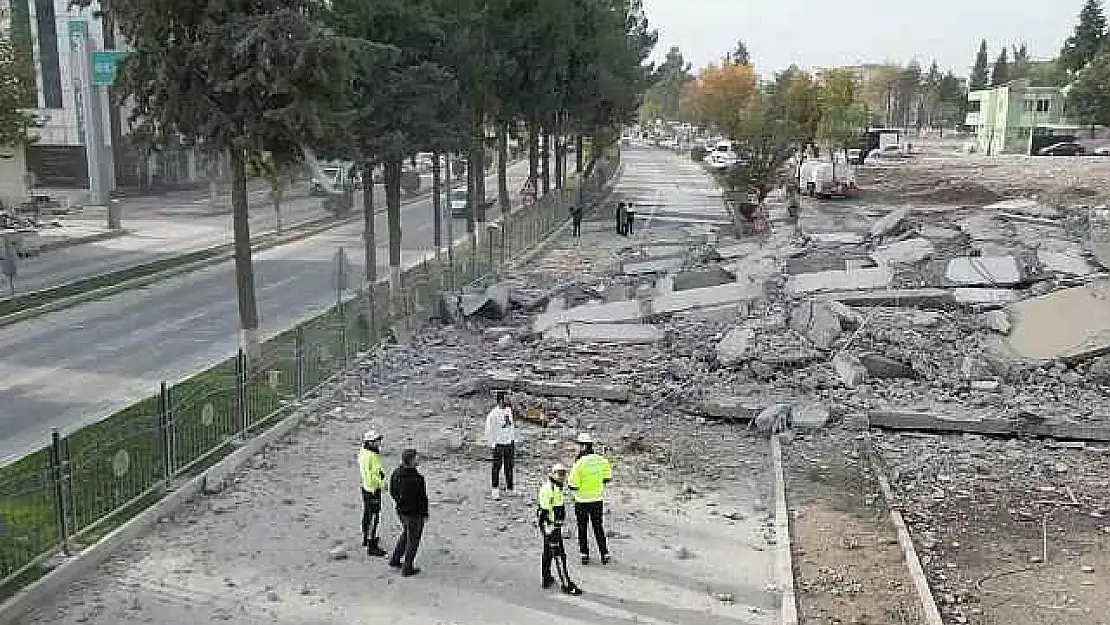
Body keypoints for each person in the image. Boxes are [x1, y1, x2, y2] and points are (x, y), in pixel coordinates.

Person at [537, 464, 583, 595]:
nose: (562, 476)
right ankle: (566, 584)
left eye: (563, 474)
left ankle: (546, 578)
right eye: (559, 473)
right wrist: (551, 528)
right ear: (552, 474)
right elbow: (545, 512)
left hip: (551, 526)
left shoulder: (554, 487)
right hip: (551, 527)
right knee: (559, 556)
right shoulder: (551, 489)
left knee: (548, 553)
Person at [568, 433, 612, 565]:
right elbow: (607, 478)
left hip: (581, 501)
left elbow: (572, 485)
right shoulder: (601, 460)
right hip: (597, 500)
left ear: (582, 446)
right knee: (598, 527)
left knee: (582, 528)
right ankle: (604, 553)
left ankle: (584, 554)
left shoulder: (579, 463)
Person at [389, 449, 429, 577]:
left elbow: (392, 491)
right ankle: (407, 568)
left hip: (401, 512)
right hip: (414, 515)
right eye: (416, 458)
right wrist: (424, 514)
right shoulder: (417, 479)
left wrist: (399, 503)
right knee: (413, 541)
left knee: (406, 534)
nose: (419, 459)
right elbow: (421, 499)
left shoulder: (396, 473)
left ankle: (395, 560)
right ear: (411, 461)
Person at [358, 430, 388, 557]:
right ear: (370, 442)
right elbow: (372, 475)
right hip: (373, 490)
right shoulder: (370, 455)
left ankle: (366, 538)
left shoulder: (365, 452)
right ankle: (372, 546)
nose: (379, 442)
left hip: (366, 488)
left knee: (367, 514)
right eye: (376, 440)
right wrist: (382, 484)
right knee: (373, 517)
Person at [484, 391, 516, 500]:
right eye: (506, 399)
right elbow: (488, 430)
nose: (509, 400)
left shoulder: (509, 410)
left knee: (509, 466)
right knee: (496, 467)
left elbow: (510, 426)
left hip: (509, 443)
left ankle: (510, 487)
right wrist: (493, 444)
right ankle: (495, 490)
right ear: (501, 400)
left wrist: (512, 439)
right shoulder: (493, 414)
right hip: (499, 445)